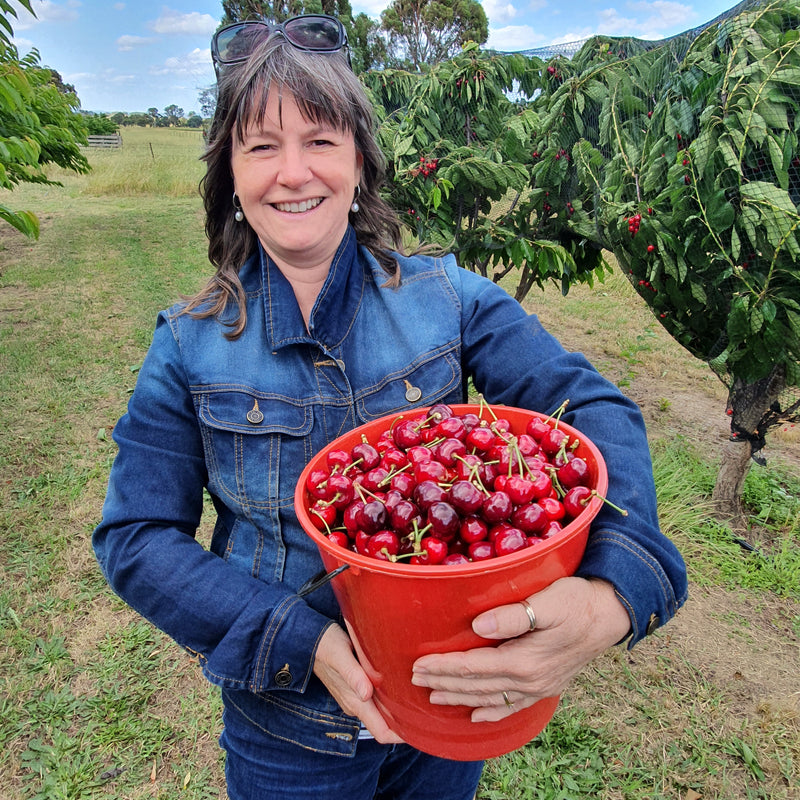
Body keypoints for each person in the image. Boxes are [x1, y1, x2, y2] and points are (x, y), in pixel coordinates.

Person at [92, 14, 687, 800]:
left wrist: (616, 591)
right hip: (288, 726)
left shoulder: (448, 299)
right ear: (230, 177)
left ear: (361, 163)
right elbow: (136, 538)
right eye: (261, 147)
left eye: (321, 140)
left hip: (454, 704)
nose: (293, 172)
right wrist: (304, 641)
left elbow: (589, 403)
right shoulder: (189, 345)